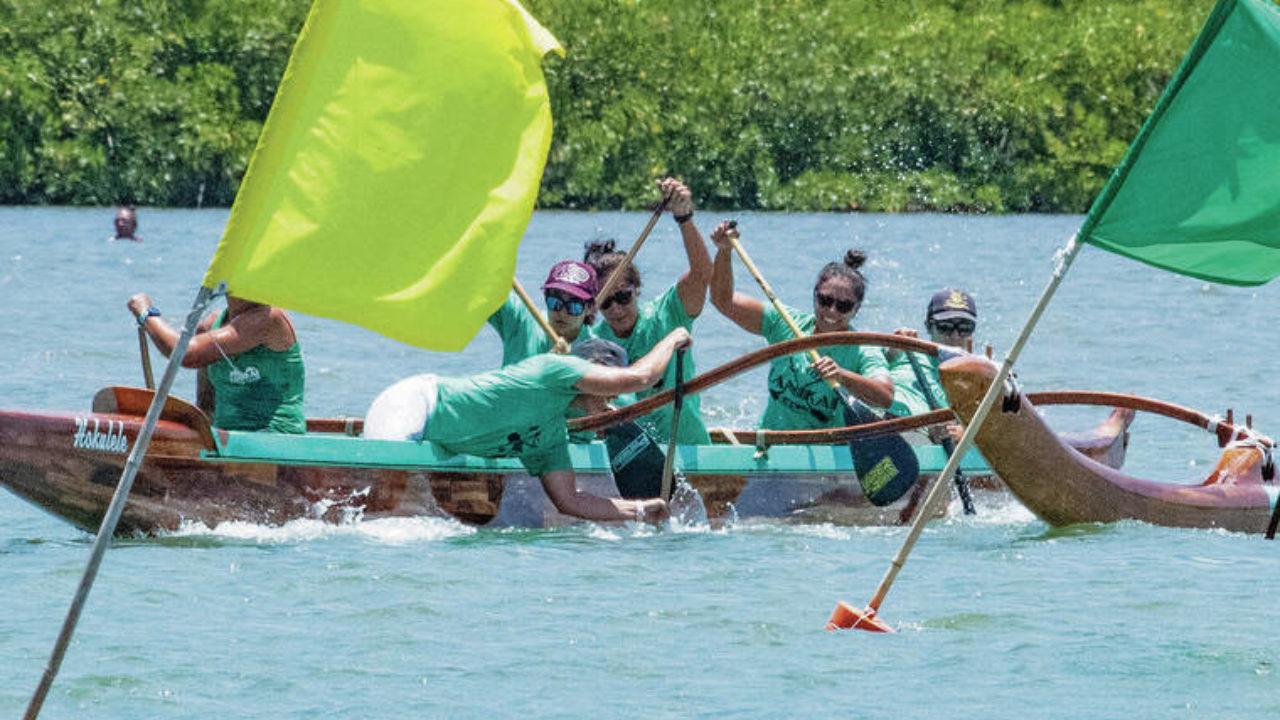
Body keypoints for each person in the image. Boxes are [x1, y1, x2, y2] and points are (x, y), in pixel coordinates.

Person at [363, 329, 694, 523]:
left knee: (401, 522)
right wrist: (674, 338)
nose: (612, 403)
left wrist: (638, 510)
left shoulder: (551, 437)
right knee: (387, 512)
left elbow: (571, 501)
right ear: (592, 372)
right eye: (610, 389)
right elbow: (640, 377)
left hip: (435, 437)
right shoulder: (554, 370)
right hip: (415, 403)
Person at [708, 220, 892, 430]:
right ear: (814, 296)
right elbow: (723, 301)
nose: (831, 311)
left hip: (828, 452)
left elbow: (885, 396)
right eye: (825, 301)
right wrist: (724, 252)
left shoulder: (863, 349)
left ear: (856, 309)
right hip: (771, 444)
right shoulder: (785, 322)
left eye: (843, 306)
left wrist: (842, 375)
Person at [582, 177, 712, 444]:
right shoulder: (591, 340)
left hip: (686, 447)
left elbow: (702, 274)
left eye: (623, 297)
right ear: (594, 303)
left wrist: (684, 217)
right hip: (628, 457)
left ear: (637, 289)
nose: (616, 308)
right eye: (606, 302)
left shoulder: (668, 314)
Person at [127, 292, 306, 433]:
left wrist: (146, 313)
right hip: (228, 442)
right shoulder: (211, 324)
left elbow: (187, 354)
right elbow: (206, 406)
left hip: (275, 438)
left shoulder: (269, 319)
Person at [886, 288, 978, 443]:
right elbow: (870, 372)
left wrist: (963, 432)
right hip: (883, 425)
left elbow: (992, 422)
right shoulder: (904, 350)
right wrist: (892, 349)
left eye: (964, 328)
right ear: (928, 326)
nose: (955, 336)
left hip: (925, 442)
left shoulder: (979, 374)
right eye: (945, 327)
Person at [488, 260, 597, 366]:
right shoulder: (521, 323)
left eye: (574, 306)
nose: (562, 313)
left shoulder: (596, 354)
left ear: (590, 308)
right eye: (554, 302)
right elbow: (486, 283)